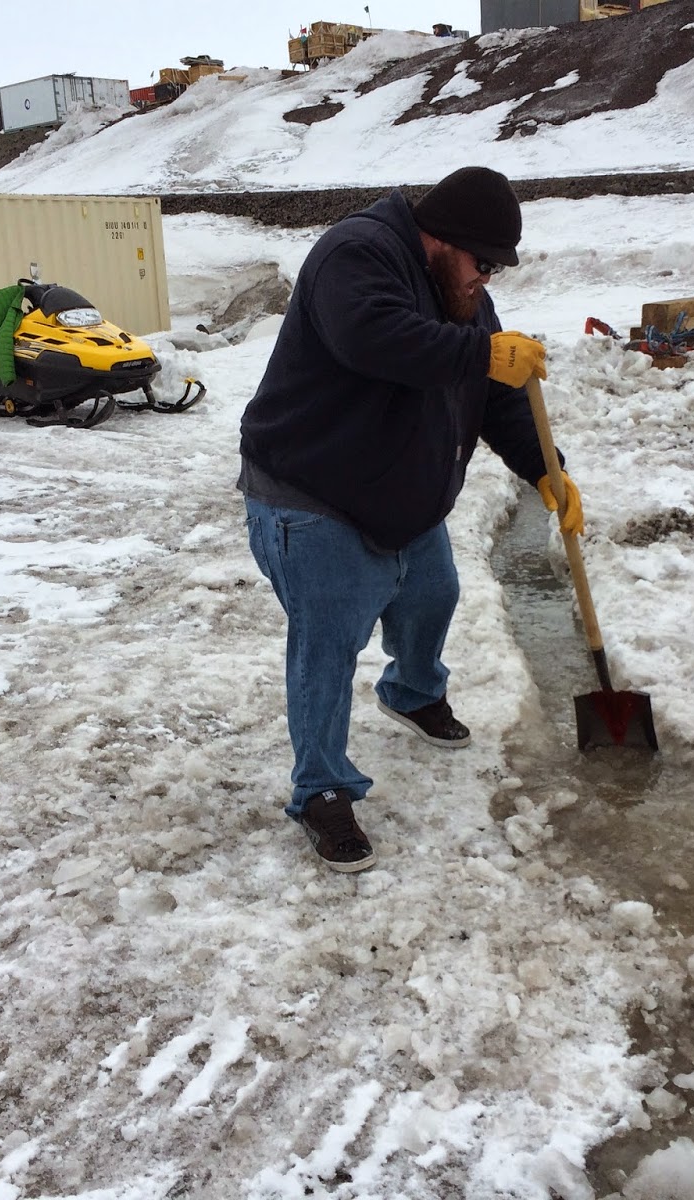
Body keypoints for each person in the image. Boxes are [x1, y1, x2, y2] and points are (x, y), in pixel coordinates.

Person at [239, 164, 584, 874]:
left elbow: (497, 396)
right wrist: (480, 353)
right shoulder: (356, 254)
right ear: (443, 240)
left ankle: (411, 691)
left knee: (434, 594)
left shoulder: (464, 298)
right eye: (483, 262)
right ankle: (321, 789)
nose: (487, 277)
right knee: (328, 642)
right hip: (312, 490)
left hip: (400, 493)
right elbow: (373, 340)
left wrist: (545, 468)